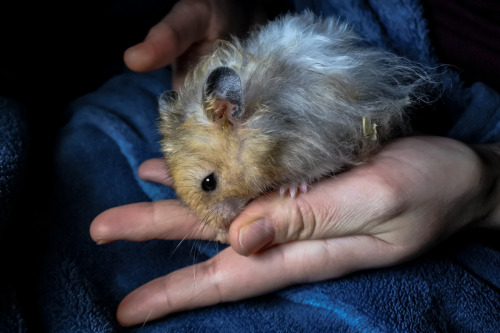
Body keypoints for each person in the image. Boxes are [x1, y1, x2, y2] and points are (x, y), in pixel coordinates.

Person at [88, 0, 500, 327]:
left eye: (209, 183)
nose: (211, 213)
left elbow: (326, 141)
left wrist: (489, 186)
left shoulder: (285, 128)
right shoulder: (234, 128)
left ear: (233, 111)